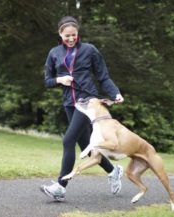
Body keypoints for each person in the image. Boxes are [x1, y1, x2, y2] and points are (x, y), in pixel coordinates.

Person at [40, 16, 124, 201]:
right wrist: (60, 80)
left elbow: (103, 77)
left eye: (74, 35)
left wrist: (115, 93)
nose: (71, 39)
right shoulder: (54, 53)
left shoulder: (90, 50)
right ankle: (113, 171)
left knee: (68, 140)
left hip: (88, 101)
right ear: (60, 34)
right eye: (67, 36)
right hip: (69, 103)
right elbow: (47, 81)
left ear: (78, 34)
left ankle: (60, 186)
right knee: (85, 145)